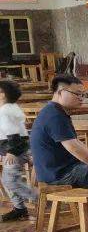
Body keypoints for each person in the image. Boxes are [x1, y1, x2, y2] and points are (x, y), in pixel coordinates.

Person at [29, 75, 88, 190]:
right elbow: (74, 148)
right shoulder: (54, 116)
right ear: (60, 92)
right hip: (59, 176)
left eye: (83, 95)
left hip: (61, 169)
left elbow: (77, 143)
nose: (81, 98)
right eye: (77, 94)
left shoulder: (54, 110)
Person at [0, 80, 35, 221]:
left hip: (15, 151)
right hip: (18, 149)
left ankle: (39, 197)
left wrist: (12, 152)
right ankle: (20, 209)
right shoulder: (11, 108)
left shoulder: (4, 111)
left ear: (2, 94)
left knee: (10, 181)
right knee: (8, 180)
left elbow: (13, 133)